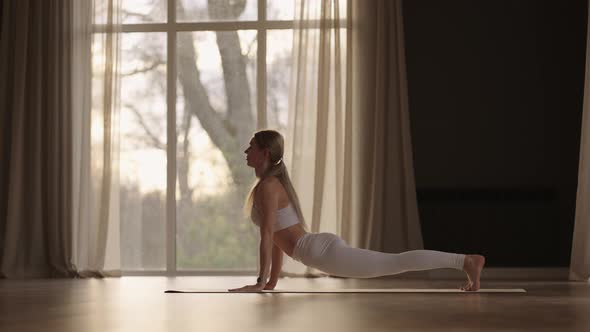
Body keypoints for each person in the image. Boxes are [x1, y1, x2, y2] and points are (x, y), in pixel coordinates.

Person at [229, 130, 485, 292]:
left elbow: (266, 237)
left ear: (263, 153)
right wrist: (271, 282)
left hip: (320, 252)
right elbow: (275, 238)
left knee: (395, 262)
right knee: (394, 262)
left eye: (250, 146)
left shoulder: (268, 187)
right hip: (319, 248)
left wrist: (260, 282)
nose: (246, 151)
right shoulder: (268, 185)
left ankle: (465, 261)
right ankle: (464, 261)